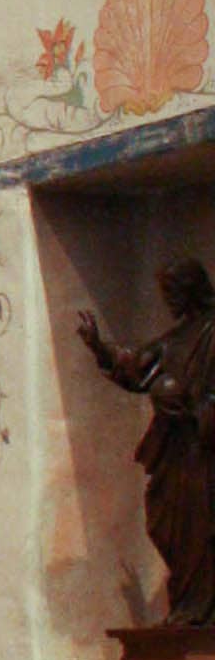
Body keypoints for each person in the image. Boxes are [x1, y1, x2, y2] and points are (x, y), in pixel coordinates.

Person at [77, 257, 215, 626]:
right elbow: (137, 365)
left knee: (203, 526)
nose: (168, 300)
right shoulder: (176, 339)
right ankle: (187, 607)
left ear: (191, 289)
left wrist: (193, 410)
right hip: (175, 452)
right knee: (167, 522)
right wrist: (100, 348)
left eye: (172, 291)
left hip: (203, 451)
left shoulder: (212, 334)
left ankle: (201, 612)